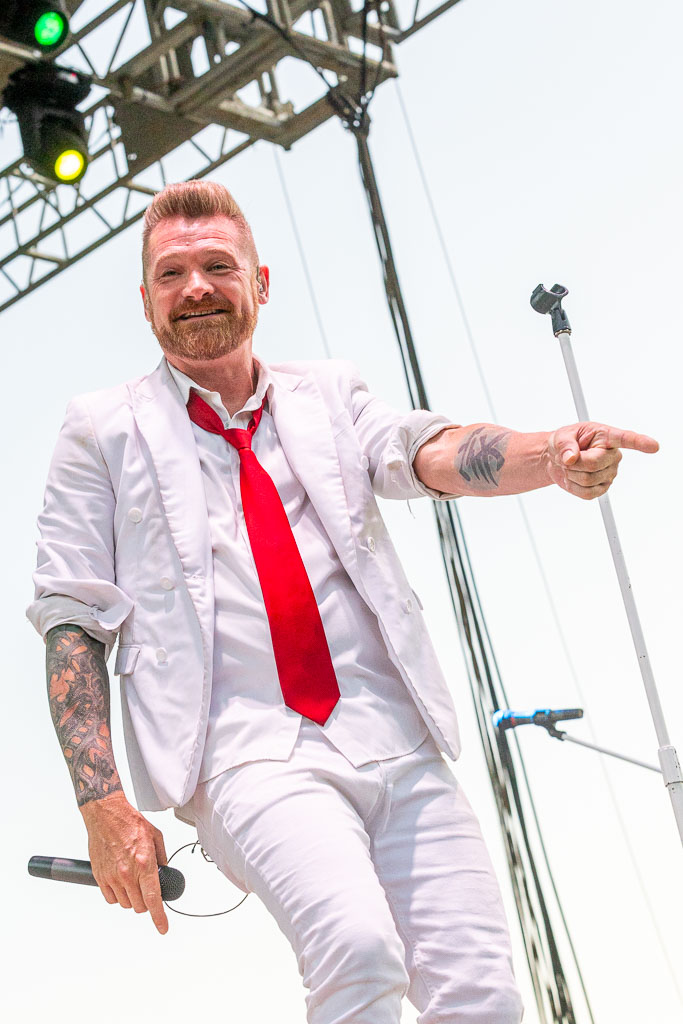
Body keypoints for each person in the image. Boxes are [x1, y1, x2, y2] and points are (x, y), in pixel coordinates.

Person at [27, 180, 658, 1024]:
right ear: (145, 302)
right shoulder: (101, 428)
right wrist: (102, 802)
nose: (196, 287)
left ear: (260, 283)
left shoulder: (327, 394)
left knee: (481, 995)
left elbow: (427, 451)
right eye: (171, 274)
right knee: (357, 952)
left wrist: (550, 454)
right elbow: (72, 617)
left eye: (218, 266)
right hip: (244, 752)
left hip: (395, 735)